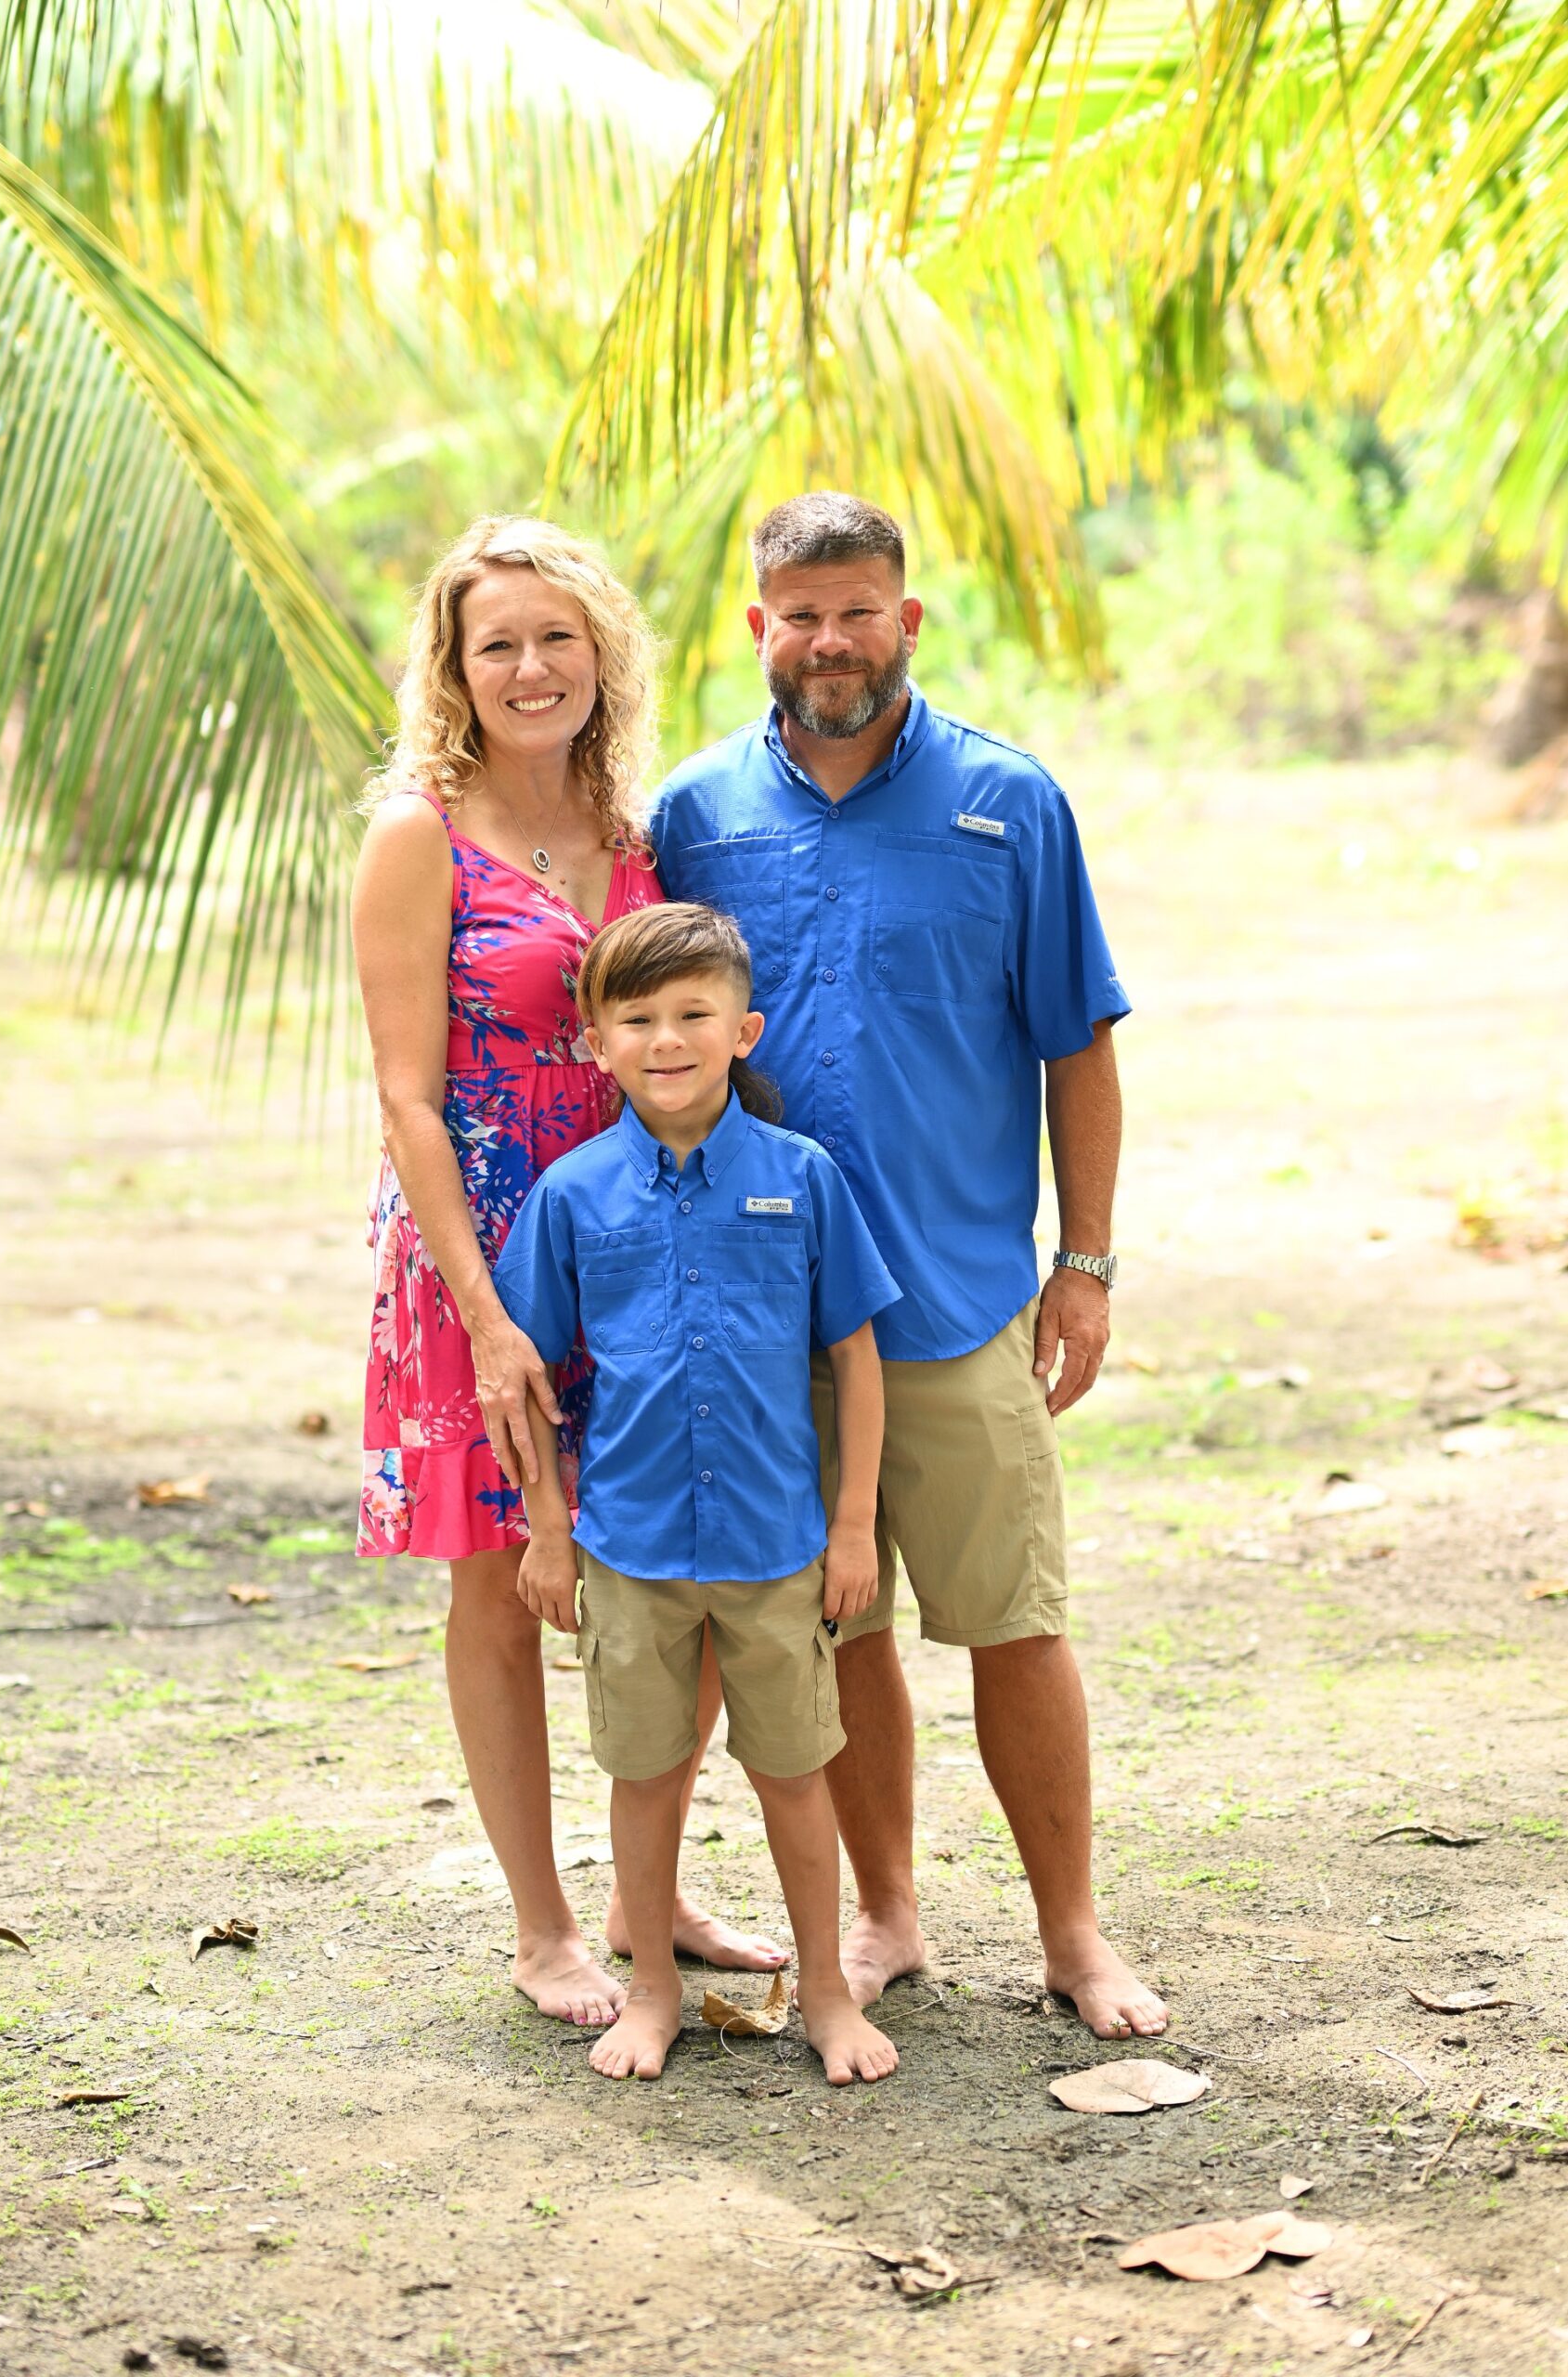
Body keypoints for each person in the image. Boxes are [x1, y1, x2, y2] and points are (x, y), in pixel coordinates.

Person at [651, 492, 1167, 2041]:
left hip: (953, 1297)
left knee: (1015, 1618)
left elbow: (1078, 1047)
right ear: (759, 627)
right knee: (836, 1627)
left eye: (857, 611)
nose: (830, 642)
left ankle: (1073, 1936)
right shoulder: (691, 819)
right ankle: (886, 1912)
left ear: (908, 619)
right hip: (765, 1318)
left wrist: (1085, 1263)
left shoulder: (1011, 803)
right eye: (801, 615)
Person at [349, 516, 784, 2030]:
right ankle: (543, 1928)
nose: (531, 668)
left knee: (677, 1556)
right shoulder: (417, 834)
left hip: (642, 1244)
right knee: (497, 1580)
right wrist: (487, 1321)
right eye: (498, 645)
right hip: (481, 1256)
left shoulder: (636, 835)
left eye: (557, 638)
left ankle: (643, 1894)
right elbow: (406, 1098)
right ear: (455, 669)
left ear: (600, 654)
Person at [494, 902, 901, 2085]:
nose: (666, 1040)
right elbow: (530, 1379)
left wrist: (853, 1527)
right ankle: (653, 1990)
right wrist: (549, 1534)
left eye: (692, 1015)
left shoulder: (802, 1178)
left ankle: (823, 1990)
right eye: (636, 1020)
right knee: (642, 1774)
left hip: (777, 1547)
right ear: (596, 1043)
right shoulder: (572, 1194)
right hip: (629, 1548)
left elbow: (856, 1359)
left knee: (792, 1774)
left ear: (744, 1031)